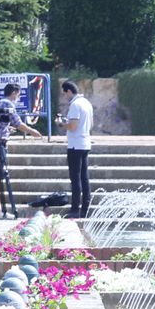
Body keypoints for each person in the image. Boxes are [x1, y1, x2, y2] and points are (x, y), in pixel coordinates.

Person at [0, 83, 41, 219]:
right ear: (14, 92)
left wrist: (7, 129)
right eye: (18, 94)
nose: (18, 97)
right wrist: (33, 132)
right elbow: (18, 123)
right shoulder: (8, 104)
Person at [58, 80, 94, 219]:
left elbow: (72, 126)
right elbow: (91, 125)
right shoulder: (87, 103)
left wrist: (61, 124)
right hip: (85, 143)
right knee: (84, 178)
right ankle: (85, 208)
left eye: (64, 93)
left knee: (75, 178)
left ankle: (74, 209)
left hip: (75, 145)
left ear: (68, 91)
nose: (65, 97)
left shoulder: (75, 104)